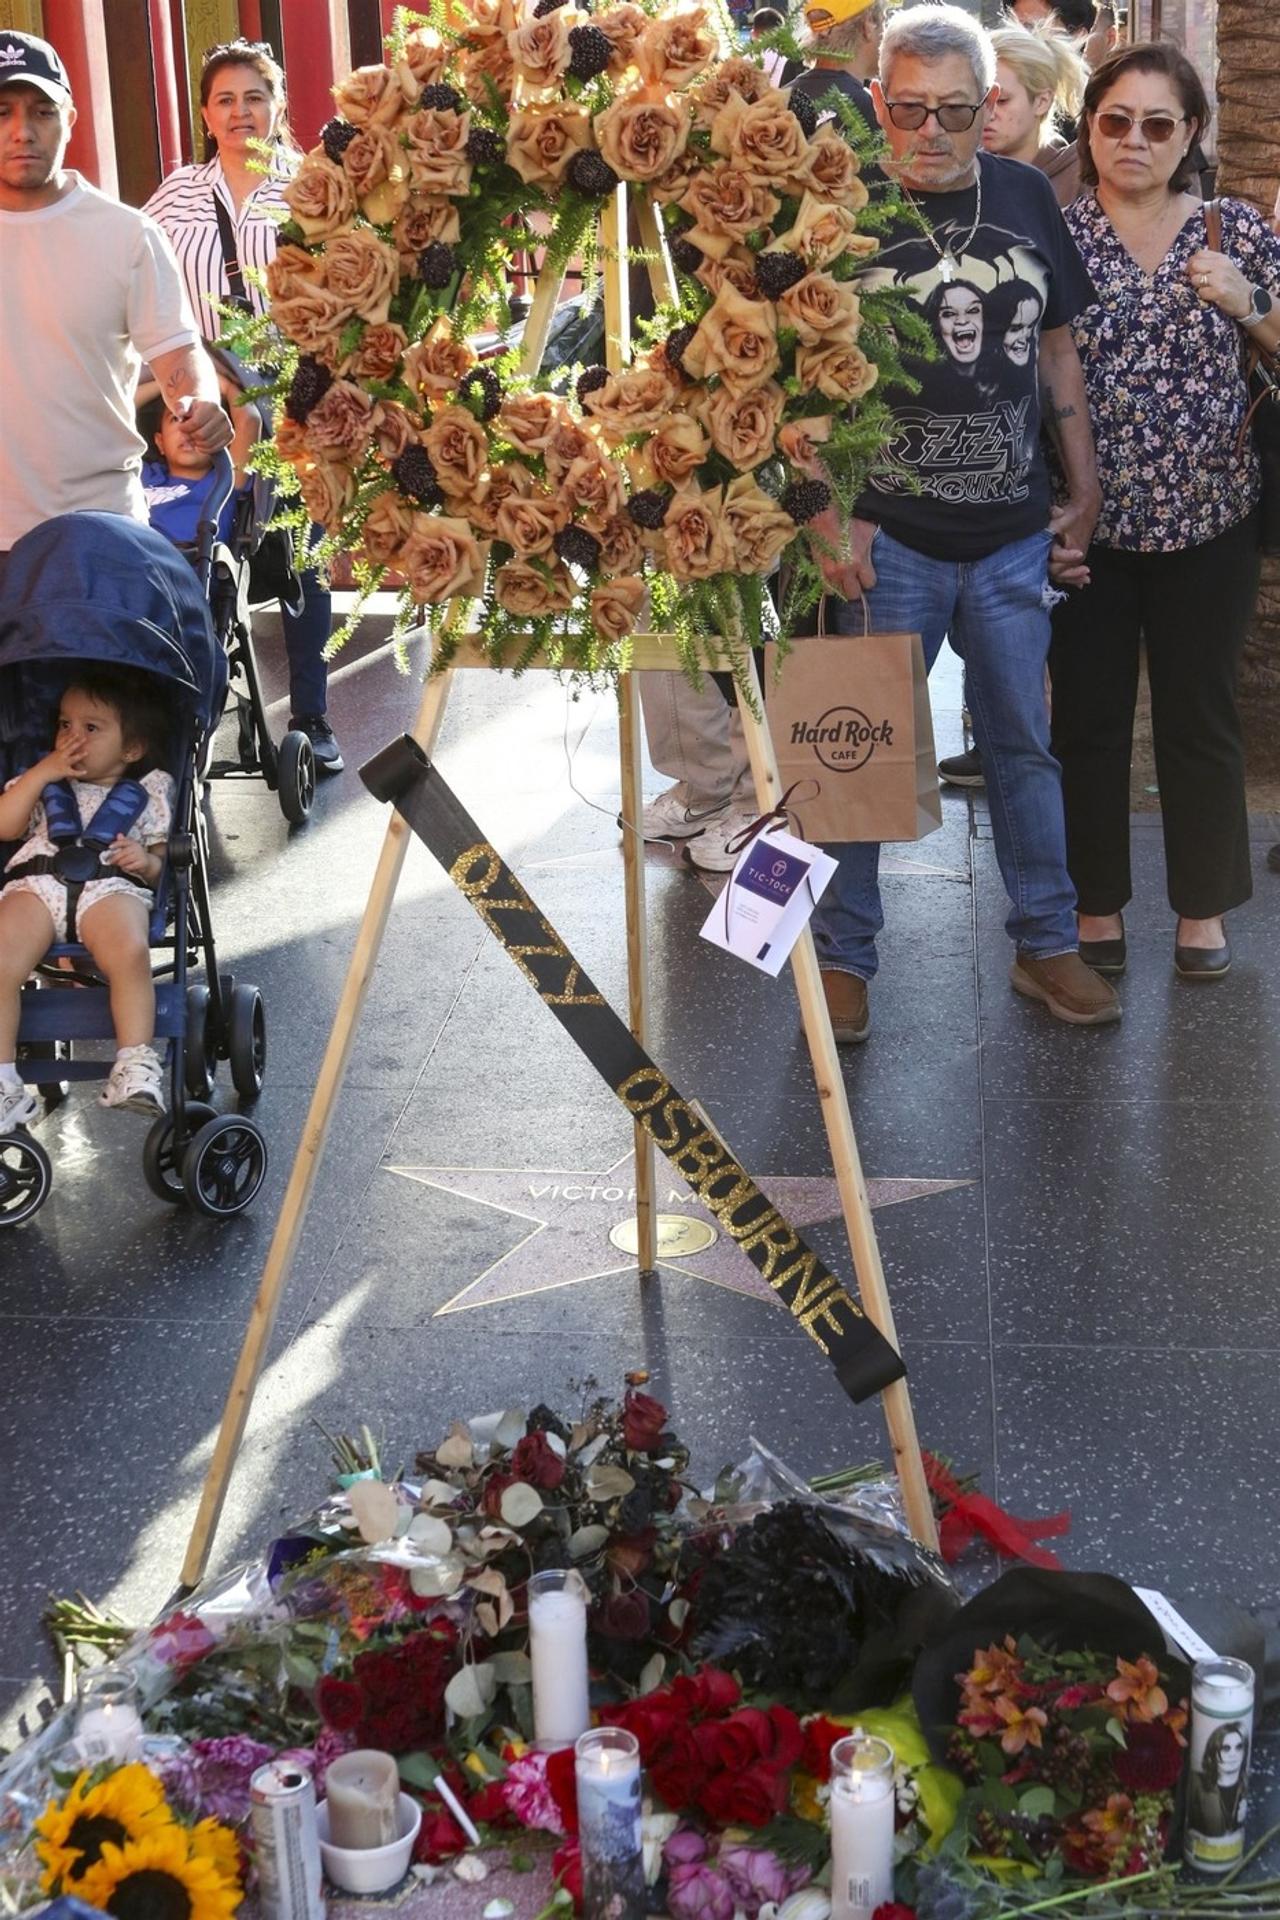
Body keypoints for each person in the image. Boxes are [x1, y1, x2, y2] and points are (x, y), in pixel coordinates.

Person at [808, 2, 1118, 1039]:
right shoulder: (835, 205)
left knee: (1023, 747)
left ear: (987, 102)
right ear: (875, 102)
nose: (930, 132)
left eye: (952, 109)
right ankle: (843, 958)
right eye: (907, 110)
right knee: (856, 754)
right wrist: (825, 515)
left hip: (1009, 532)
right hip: (882, 534)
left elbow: (1056, 350)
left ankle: (1045, 944)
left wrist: (1083, 486)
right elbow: (792, 377)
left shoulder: (1026, 194)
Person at [1047, 42, 1280, 982]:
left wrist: (1250, 303)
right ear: (1091, 125)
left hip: (1210, 518)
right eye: (1116, 121)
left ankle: (1202, 913)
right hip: (1085, 530)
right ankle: (1095, 905)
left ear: (1189, 135)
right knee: (1089, 721)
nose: (1134, 140)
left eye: (1158, 124)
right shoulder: (1053, 235)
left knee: (1200, 714)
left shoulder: (1237, 232)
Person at [142, 38, 343, 775]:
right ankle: (183, 709)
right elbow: (140, 286)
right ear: (205, 112)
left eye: (253, 97)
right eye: (224, 99)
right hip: (200, 402)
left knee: (299, 554)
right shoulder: (174, 194)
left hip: (293, 397)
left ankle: (315, 720)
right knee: (196, 546)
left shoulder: (310, 186)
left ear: (277, 104)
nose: (239, 112)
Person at [0, 30, 232, 582]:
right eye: (1, 112)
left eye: (41, 111)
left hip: (97, 532)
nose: (21, 132)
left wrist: (197, 403)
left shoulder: (127, 235)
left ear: (71, 119)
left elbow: (176, 349)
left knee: (91, 675)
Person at [0, 669, 175, 1126]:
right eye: (64, 724)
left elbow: (163, 867)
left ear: (130, 748)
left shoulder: (149, 790)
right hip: (37, 887)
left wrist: (146, 861)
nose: (71, 737)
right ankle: (3, 1084)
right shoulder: (39, 781)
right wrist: (42, 772)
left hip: (109, 888)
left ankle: (134, 1063)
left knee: (129, 950)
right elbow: (5, 826)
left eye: (91, 728)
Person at [138, 374, 260, 548]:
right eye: (176, 418)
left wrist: (223, 385)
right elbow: (110, 417)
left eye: (199, 423)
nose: (187, 429)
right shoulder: (143, 474)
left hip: (182, 568)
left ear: (220, 438)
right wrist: (166, 383)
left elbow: (250, 421)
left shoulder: (224, 480)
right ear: (160, 442)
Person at [983, 23, 1087, 208]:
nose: (987, 113)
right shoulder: (967, 173)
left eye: (1002, 100)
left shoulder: (1081, 177)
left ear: (1042, 102)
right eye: (980, 99)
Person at [790, 0, 885, 134]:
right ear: (869, 24)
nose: (885, 33)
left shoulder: (781, 98)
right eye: (884, 21)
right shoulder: (867, 109)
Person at [1188, 1723, 1250, 1838]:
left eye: (1239, 1747)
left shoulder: (1245, 1785)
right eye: (1225, 1748)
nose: (1233, 1754)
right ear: (1213, 1753)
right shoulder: (1196, 1783)